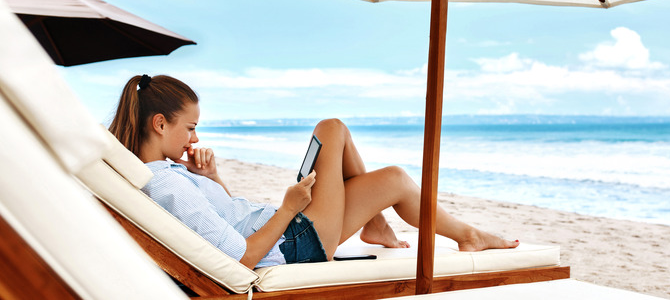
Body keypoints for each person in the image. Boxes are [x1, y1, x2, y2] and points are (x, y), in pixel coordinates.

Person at [109, 74, 518, 269]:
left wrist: (212, 179)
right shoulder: (166, 185)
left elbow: (226, 219)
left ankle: (392, 227)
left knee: (392, 177)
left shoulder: (166, 174)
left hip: (288, 231)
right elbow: (240, 257)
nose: (194, 140)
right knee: (333, 130)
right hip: (293, 244)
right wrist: (289, 209)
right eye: (190, 128)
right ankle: (465, 235)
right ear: (160, 123)